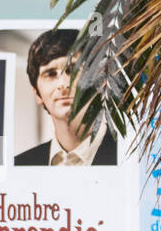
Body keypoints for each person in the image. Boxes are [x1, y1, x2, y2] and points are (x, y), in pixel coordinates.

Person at [15, 28, 118, 167]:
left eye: (73, 70)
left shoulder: (128, 157)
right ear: (37, 94)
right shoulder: (20, 165)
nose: (63, 84)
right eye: (50, 73)